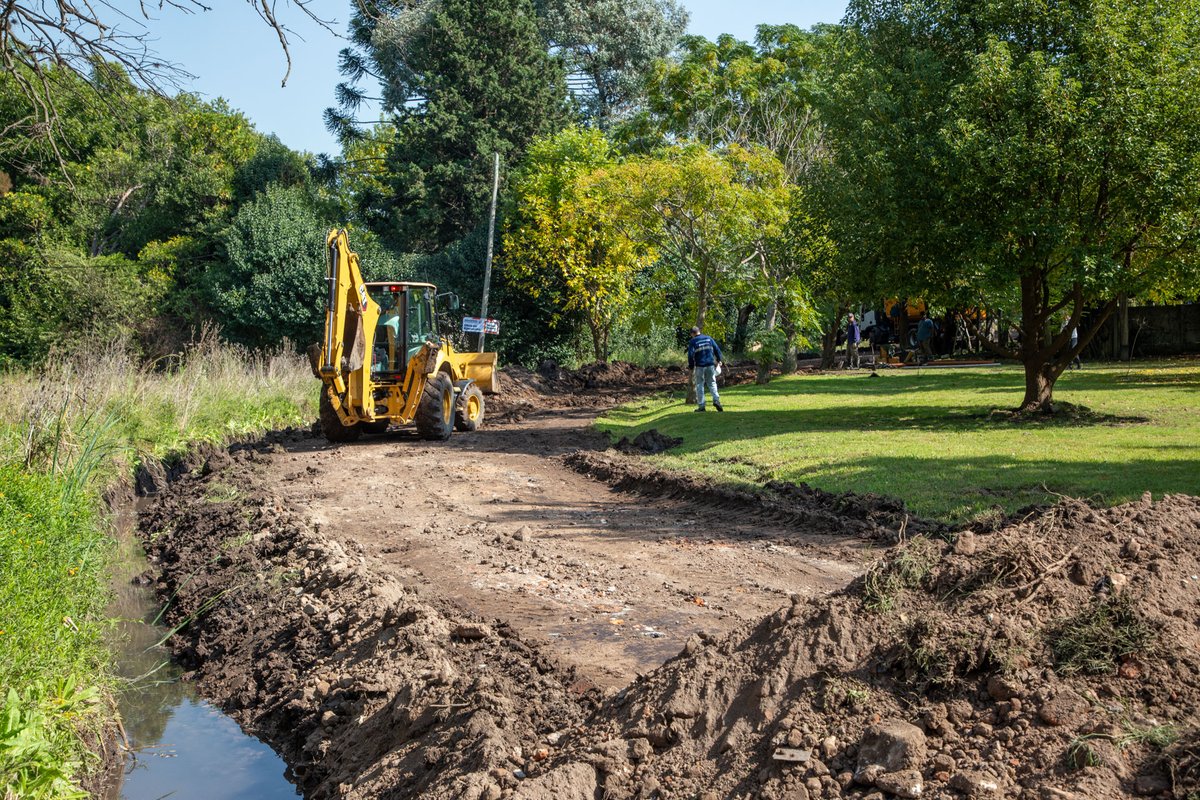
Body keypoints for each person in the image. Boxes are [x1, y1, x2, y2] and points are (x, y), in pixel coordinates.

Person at [687, 326, 724, 412]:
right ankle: (716, 400)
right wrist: (719, 360)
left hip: (700, 366)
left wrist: (691, 366)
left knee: (700, 385)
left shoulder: (693, 341)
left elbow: (690, 355)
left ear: (692, 334)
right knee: (712, 383)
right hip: (710, 365)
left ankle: (701, 406)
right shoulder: (709, 338)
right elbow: (717, 350)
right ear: (699, 331)